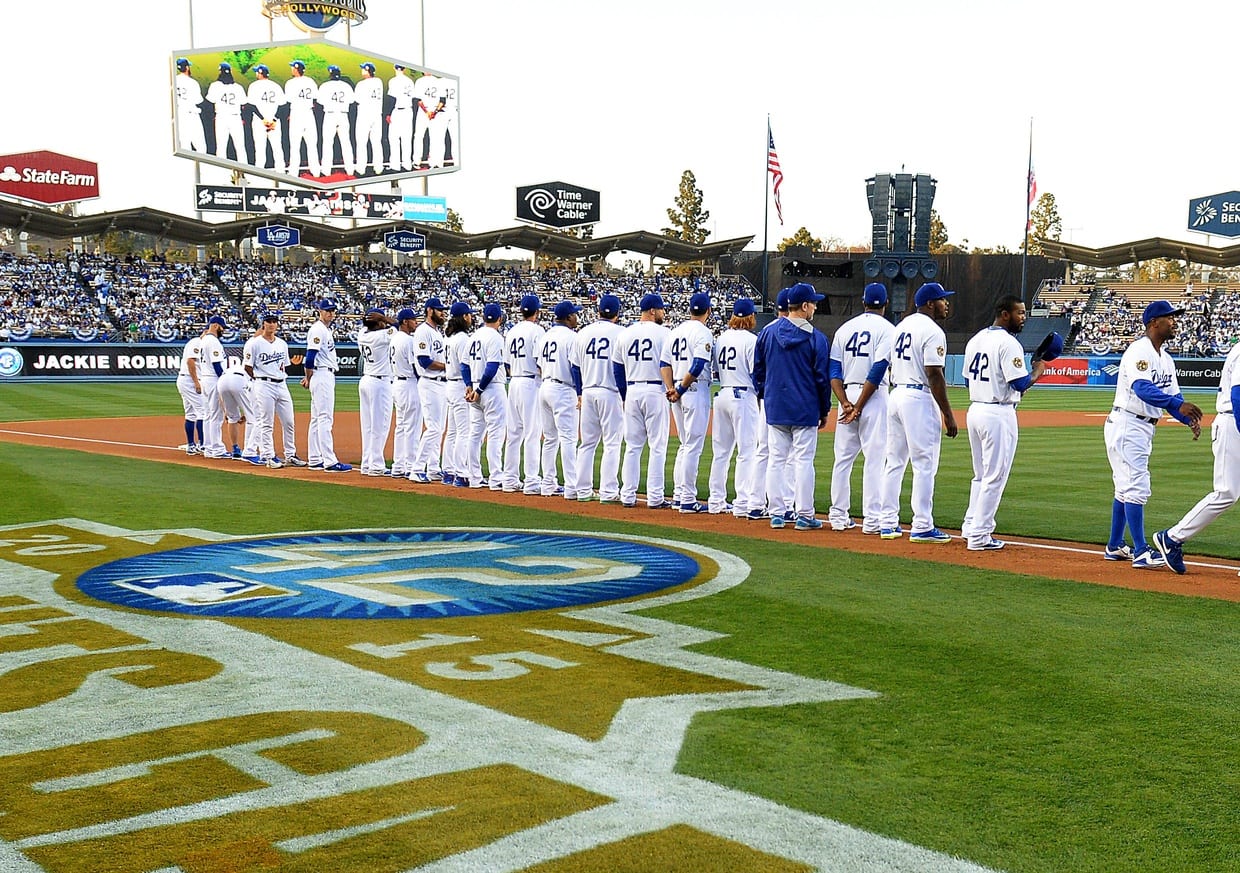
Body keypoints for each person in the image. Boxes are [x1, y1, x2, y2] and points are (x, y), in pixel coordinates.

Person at [1104, 300, 1203, 568]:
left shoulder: (1166, 359)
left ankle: (1114, 546)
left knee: (1125, 488)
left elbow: (1175, 397)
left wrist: (1187, 419)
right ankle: (1141, 551)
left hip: (1141, 426)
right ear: (1153, 323)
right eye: (1169, 317)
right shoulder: (1139, 350)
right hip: (1128, 423)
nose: (1174, 322)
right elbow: (1142, 388)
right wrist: (1176, 406)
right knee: (1136, 487)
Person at [958, 295, 1047, 551]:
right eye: (1019, 312)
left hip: (976, 409)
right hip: (997, 414)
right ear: (1004, 314)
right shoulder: (1008, 343)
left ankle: (970, 525)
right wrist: (1038, 371)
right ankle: (980, 535)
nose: (1024, 317)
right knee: (994, 476)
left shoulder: (977, 338)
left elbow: (967, 381)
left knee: (981, 475)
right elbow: (1019, 383)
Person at [879, 282, 958, 542]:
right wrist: (948, 413)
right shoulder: (933, 331)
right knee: (924, 464)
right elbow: (934, 374)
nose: (946, 303)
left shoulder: (901, 326)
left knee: (895, 461)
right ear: (929, 303)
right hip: (917, 397)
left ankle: (888, 522)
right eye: (942, 299)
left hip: (896, 394)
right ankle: (922, 524)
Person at [1153, 337, 1240, 575]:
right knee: (1226, 492)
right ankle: (1171, 538)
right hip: (1233, 422)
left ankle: (1172, 538)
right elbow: (1238, 396)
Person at [753, 283, 832, 530]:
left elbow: (758, 370)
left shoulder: (767, 333)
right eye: (814, 304)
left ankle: (777, 513)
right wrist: (824, 408)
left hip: (776, 406)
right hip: (805, 407)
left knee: (776, 459)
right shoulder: (816, 338)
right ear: (805, 306)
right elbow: (822, 378)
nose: (816, 308)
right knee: (803, 461)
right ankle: (804, 515)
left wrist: (767, 395)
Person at [829, 283, 895, 533]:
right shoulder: (888, 329)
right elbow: (878, 369)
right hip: (873, 396)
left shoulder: (845, 328)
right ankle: (872, 520)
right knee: (875, 459)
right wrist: (858, 405)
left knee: (843, 459)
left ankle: (837, 516)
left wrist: (845, 402)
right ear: (885, 304)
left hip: (847, 393)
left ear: (863, 302)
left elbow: (834, 369)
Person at [612, 292, 674, 509]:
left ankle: (627, 495)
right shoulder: (664, 333)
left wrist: (624, 395)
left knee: (632, 446)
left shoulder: (625, 334)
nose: (664, 313)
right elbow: (670, 364)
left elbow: (617, 368)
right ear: (652, 311)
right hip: (655, 390)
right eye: (662, 309)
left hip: (633, 390)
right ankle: (655, 497)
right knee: (657, 446)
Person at [707, 297, 759, 517]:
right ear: (750, 316)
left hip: (722, 395)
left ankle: (715, 500)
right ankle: (742, 501)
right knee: (746, 452)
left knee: (721, 452)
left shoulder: (721, 338)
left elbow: (716, 371)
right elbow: (755, 373)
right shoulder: (751, 340)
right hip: (742, 395)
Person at [665, 291, 715, 513]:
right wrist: (681, 389)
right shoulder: (703, 333)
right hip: (692, 389)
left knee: (685, 445)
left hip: (676, 387)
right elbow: (697, 366)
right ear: (709, 311)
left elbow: (664, 363)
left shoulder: (675, 331)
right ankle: (687, 499)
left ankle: (678, 495)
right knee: (693, 446)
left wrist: (671, 389)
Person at [576, 293, 624, 503]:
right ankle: (608, 491)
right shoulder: (621, 333)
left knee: (587, 443)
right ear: (617, 313)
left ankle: (583, 490)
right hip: (610, 391)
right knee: (612, 443)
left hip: (588, 391)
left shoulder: (583, 332)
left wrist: (579, 392)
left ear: (598, 311)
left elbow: (574, 367)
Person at [535, 300, 584, 499]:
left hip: (545, 386)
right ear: (569, 317)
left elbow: (538, 364)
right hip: (563, 389)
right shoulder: (571, 337)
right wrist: (580, 392)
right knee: (568, 439)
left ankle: (548, 484)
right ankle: (572, 487)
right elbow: (575, 367)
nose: (577, 317)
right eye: (575, 314)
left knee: (549, 439)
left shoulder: (545, 336)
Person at [244, 314, 306, 469]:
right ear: (263, 324)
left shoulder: (282, 344)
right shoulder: (255, 343)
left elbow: (283, 365)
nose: (272, 325)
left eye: (274, 322)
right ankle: (268, 456)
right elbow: (247, 366)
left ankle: (290, 455)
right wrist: (259, 379)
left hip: (281, 384)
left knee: (289, 421)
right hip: (264, 384)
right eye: (269, 322)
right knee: (267, 422)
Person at [462, 302, 508, 488]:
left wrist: (469, 386)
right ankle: (496, 478)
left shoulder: (473, 336)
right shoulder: (495, 337)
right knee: (496, 433)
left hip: (474, 387)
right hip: (491, 389)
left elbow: (464, 365)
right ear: (499, 319)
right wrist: (479, 389)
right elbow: (492, 366)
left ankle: (474, 477)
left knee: (475, 434)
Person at [503, 294, 545, 494]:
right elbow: (540, 362)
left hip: (514, 382)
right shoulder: (537, 331)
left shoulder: (512, 331)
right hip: (530, 382)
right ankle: (531, 481)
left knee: (513, 433)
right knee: (532, 433)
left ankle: (510, 479)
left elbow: (507, 364)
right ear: (537, 312)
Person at [301, 299, 350, 472]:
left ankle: (314, 458)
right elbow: (309, 358)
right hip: (321, 374)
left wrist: (309, 377)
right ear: (320, 311)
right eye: (327, 310)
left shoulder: (324, 330)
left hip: (321, 374)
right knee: (324, 418)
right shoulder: (318, 329)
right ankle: (329, 461)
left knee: (316, 418)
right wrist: (308, 377)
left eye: (332, 310)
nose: (330, 313)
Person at [409, 297, 450, 483]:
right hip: (430, 382)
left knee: (439, 428)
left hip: (441, 384)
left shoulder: (436, 332)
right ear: (429, 311)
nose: (442, 312)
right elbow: (424, 361)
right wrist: (448, 367)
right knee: (434, 428)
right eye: (439, 309)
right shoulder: (422, 331)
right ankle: (417, 468)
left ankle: (433, 468)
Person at [357, 308, 396, 476]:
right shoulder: (381, 336)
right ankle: (376, 465)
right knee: (380, 426)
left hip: (366, 379)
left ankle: (367, 463)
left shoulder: (362, 333)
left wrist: (376, 320)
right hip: (380, 383)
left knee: (368, 427)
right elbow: (399, 326)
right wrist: (385, 318)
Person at [441, 301, 476, 487]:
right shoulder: (462, 338)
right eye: (469, 314)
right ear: (464, 317)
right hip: (460, 386)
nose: (471, 317)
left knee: (452, 432)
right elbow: (464, 365)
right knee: (464, 432)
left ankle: (448, 471)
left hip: (449, 386)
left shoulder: (449, 338)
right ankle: (461, 474)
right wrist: (470, 385)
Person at [389, 307, 424, 478]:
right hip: (409, 384)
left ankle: (398, 465)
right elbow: (415, 367)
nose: (415, 322)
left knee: (401, 426)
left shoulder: (395, 338)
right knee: (412, 427)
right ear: (405, 322)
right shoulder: (408, 341)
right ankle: (411, 465)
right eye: (412, 319)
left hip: (397, 383)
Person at [197, 315, 228, 459]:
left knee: (208, 415)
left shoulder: (204, 340)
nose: (223, 330)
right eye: (222, 327)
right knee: (216, 416)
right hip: (213, 379)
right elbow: (217, 365)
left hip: (205, 379)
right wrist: (224, 380)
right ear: (215, 326)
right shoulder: (213, 341)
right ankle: (217, 449)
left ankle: (208, 448)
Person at [247, 64, 286, 174]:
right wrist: (274, 119)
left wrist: (263, 119)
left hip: (260, 122)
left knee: (260, 150)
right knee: (278, 149)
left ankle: (259, 175)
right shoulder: (276, 86)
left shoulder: (254, 86)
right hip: (274, 122)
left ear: (259, 73)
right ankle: (281, 174)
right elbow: (282, 106)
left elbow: (251, 106)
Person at [285, 60, 320, 177]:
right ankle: (316, 172)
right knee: (312, 144)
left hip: (297, 114)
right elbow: (315, 98)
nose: (291, 70)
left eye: (292, 68)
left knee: (295, 145)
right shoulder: (310, 81)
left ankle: (293, 172)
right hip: (309, 114)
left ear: (296, 69)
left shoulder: (290, 83)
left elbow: (288, 100)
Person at [318, 65, 355, 176]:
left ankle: (326, 171)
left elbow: (320, 102)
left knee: (328, 144)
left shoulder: (325, 86)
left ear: (330, 74)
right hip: (343, 115)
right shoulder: (346, 86)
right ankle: (350, 170)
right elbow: (352, 101)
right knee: (346, 143)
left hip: (330, 115)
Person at [205, 62, 247, 162]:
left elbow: (209, 102)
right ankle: (245, 171)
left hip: (221, 117)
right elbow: (244, 104)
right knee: (240, 146)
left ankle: (222, 172)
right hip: (235, 117)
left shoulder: (215, 86)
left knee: (221, 146)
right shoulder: (238, 87)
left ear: (220, 72)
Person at [175, 328, 206, 455]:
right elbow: (190, 361)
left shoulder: (201, 343)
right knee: (203, 412)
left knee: (191, 414)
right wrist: (196, 382)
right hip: (190, 380)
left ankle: (191, 445)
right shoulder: (196, 342)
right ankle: (203, 445)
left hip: (185, 380)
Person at [216, 356, 251, 459]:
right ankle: (250, 451)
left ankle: (235, 448)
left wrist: (225, 411)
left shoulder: (232, 367)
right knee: (254, 418)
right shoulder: (252, 370)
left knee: (232, 418)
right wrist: (246, 414)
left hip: (222, 380)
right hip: (239, 379)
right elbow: (254, 396)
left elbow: (220, 396)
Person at [354, 62, 385, 176]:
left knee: (362, 142)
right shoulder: (379, 82)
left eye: (363, 69)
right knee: (376, 142)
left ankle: (361, 169)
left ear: (367, 71)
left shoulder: (361, 84)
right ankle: (379, 168)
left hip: (365, 115)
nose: (362, 71)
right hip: (377, 115)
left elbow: (356, 100)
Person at [413, 71, 446, 169]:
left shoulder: (419, 81)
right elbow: (443, 101)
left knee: (419, 136)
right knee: (434, 138)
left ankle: (417, 161)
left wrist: (427, 112)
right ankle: (433, 162)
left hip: (424, 112)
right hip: (435, 112)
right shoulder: (438, 81)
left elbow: (417, 100)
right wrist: (434, 112)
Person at [173, 58, 206, 153]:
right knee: (201, 147)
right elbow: (198, 100)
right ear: (187, 67)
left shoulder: (174, 81)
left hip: (179, 115)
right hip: (191, 115)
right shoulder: (192, 82)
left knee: (184, 146)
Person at [387, 64, 416, 172]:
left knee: (394, 138)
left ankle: (395, 166)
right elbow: (413, 98)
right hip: (409, 110)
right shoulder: (410, 81)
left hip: (397, 111)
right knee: (406, 139)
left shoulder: (393, 81)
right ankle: (407, 165)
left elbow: (392, 98)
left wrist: (388, 114)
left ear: (394, 68)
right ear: (404, 68)